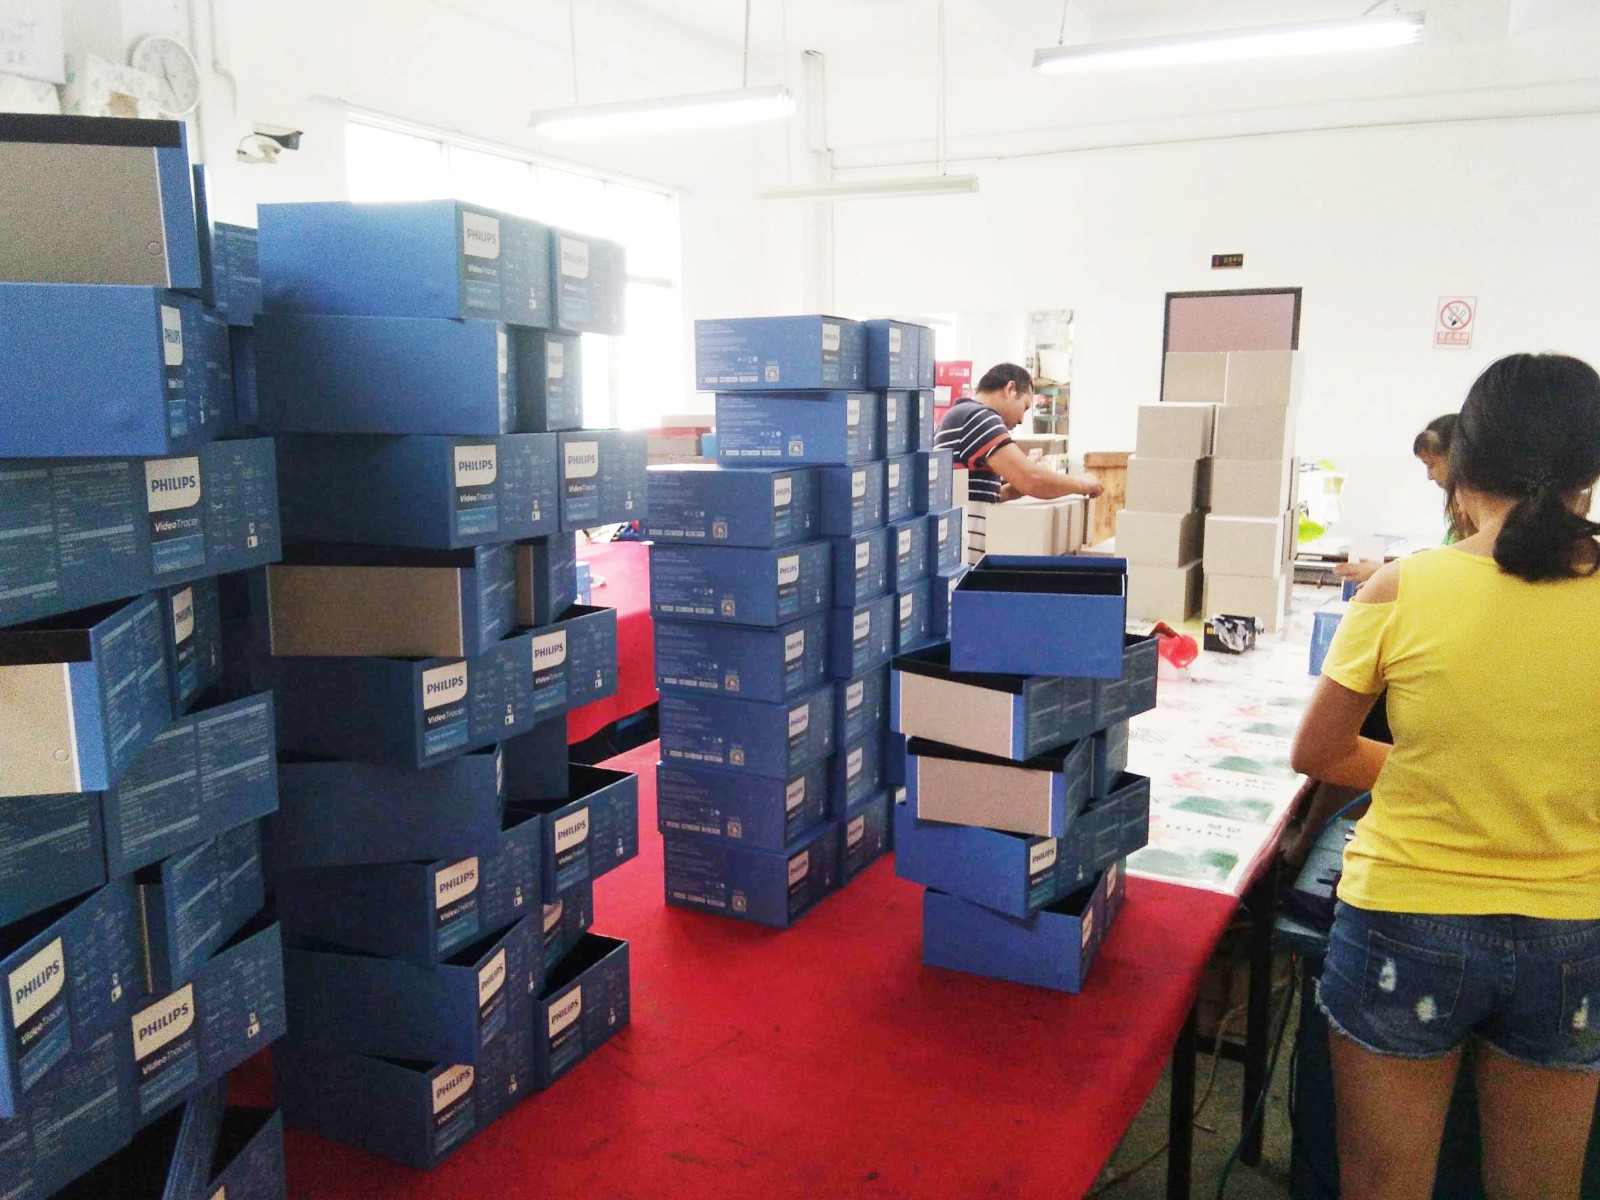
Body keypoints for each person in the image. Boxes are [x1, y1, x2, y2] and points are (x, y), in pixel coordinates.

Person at [1290, 352, 1600, 1200]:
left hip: (1406, 917)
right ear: (1589, 473)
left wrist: (1437, 769)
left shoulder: (1402, 586)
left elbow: (1320, 753)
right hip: (1576, 929)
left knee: (1384, 1184)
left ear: (1463, 467)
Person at [1336, 413, 1478, 586]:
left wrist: (1388, 574)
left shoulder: (1476, 516)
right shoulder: (1459, 514)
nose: (1429, 476)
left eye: (1431, 465)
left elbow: (1454, 574)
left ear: (1455, 458)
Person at [933, 363, 1103, 503]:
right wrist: (1082, 483)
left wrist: (1021, 483)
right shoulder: (979, 417)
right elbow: (1032, 479)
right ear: (1010, 389)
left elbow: (986, 496)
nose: (1021, 419)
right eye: (1025, 406)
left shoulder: (959, 415)